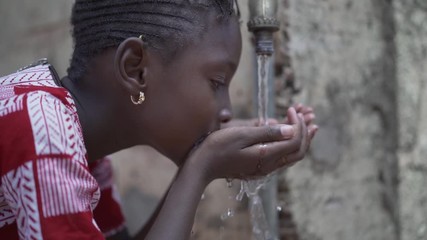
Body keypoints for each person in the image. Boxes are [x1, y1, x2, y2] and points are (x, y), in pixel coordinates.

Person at [0, 0, 318, 239]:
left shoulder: (82, 152)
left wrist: (199, 167)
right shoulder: (41, 129)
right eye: (217, 82)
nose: (227, 112)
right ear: (136, 69)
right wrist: (201, 166)